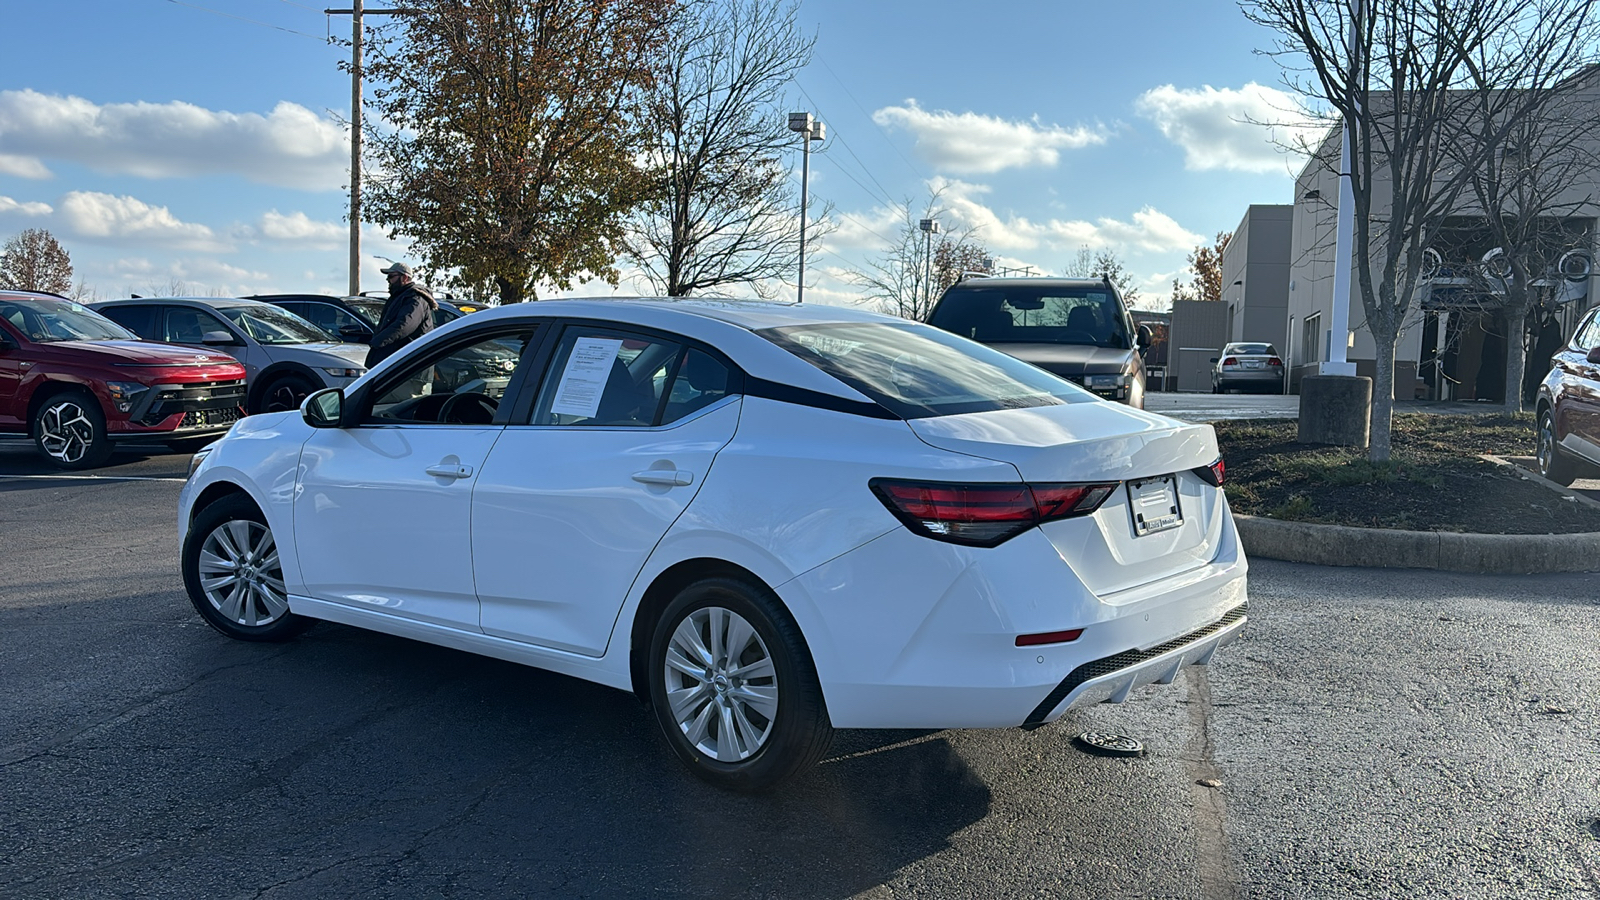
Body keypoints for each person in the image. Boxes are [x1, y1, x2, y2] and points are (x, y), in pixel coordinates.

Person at [366, 262, 437, 368]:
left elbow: (403, 325)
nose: (388, 281)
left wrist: (377, 342)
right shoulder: (399, 297)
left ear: (404, 277)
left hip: (410, 368)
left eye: (391, 276)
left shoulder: (415, 299)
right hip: (400, 365)